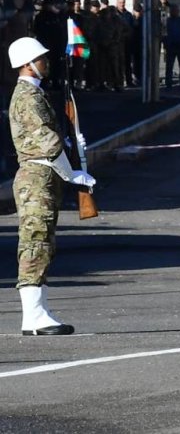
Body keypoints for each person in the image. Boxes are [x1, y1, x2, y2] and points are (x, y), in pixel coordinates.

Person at [10, 36, 93, 334]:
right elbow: (46, 143)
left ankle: (39, 312)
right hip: (36, 177)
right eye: (41, 58)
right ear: (27, 65)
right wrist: (73, 174)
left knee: (44, 243)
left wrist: (71, 143)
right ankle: (33, 317)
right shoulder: (28, 97)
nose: (46, 61)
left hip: (43, 177)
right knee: (35, 243)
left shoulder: (36, 94)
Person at [163, 2, 180, 89]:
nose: (174, 12)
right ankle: (168, 84)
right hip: (170, 47)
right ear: (170, 12)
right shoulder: (166, 21)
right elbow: (164, 34)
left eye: (176, 10)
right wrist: (166, 44)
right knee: (169, 67)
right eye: (172, 10)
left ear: (178, 11)